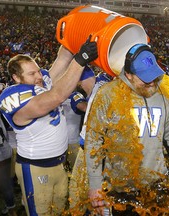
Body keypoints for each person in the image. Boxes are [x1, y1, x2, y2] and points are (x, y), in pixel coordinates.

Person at [85, 44, 169, 215]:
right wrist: (95, 185)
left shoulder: (162, 96)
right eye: (145, 78)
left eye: (153, 76)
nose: (151, 83)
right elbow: (94, 142)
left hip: (157, 183)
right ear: (128, 75)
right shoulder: (108, 94)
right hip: (122, 187)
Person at [0, 37, 98, 216]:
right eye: (31, 74)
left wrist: (73, 34)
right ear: (15, 77)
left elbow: (63, 58)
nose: (38, 76)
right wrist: (81, 59)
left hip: (59, 163)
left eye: (37, 71)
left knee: (58, 211)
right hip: (36, 167)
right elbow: (56, 97)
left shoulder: (41, 81)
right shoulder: (13, 98)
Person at [68, 66, 112, 215]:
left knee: (99, 196)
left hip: (103, 150)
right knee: (78, 193)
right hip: (86, 146)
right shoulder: (97, 86)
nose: (80, 86)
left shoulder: (103, 83)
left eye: (79, 82)